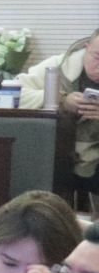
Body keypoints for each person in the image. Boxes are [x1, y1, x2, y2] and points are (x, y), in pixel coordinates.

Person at [18, 29, 99, 193]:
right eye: (97, 57)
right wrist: (61, 100)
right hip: (52, 153)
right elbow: (14, 94)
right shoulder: (59, 66)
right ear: (87, 48)